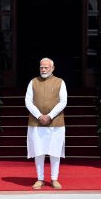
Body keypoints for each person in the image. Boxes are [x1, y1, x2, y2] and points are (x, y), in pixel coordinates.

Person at [25, 57, 67, 190]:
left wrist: (49, 116)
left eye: (46, 67)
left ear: (52, 68)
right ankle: (40, 179)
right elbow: (28, 101)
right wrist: (39, 116)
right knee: (39, 151)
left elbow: (63, 101)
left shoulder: (60, 82)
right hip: (36, 123)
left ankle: (54, 179)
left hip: (55, 122)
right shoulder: (33, 82)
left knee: (55, 152)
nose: (43, 69)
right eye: (41, 67)